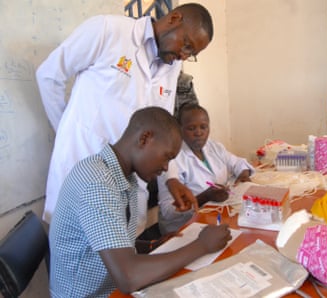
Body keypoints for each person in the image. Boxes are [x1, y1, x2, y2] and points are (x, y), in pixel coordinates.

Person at [36, 3, 213, 234]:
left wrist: (170, 179)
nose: (184, 55)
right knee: (76, 254)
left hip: (130, 183)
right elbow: (49, 75)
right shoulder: (108, 30)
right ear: (174, 19)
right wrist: (69, 132)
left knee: (123, 256)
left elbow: (164, 127)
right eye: (187, 45)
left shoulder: (171, 66)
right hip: (81, 166)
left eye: (191, 54)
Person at [48, 107, 232, 298]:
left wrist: (151, 245)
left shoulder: (127, 178)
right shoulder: (97, 181)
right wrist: (202, 245)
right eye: (167, 156)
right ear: (144, 139)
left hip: (112, 287)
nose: (165, 167)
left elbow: (109, 241)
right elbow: (129, 277)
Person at [157, 103, 254, 235]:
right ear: (179, 129)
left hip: (216, 215)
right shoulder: (171, 158)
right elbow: (168, 211)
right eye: (191, 128)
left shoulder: (214, 147)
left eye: (204, 127)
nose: (199, 133)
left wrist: (243, 174)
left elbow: (238, 163)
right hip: (185, 228)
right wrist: (204, 197)